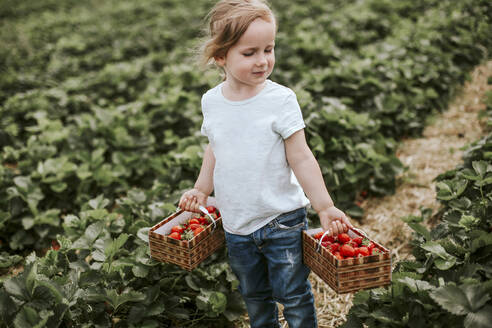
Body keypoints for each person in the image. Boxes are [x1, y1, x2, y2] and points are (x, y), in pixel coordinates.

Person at [179, 1, 353, 327]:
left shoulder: (280, 99)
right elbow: (214, 148)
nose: (263, 61)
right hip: (236, 224)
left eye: (269, 49)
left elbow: (301, 156)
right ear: (220, 56)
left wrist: (325, 206)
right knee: (254, 296)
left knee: (294, 295)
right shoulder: (212, 102)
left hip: (282, 220)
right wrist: (202, 189)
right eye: (250, 53)